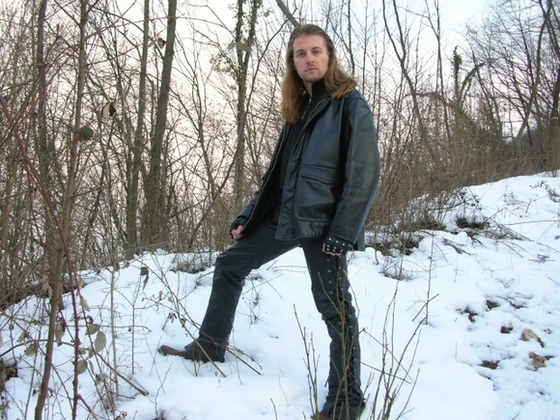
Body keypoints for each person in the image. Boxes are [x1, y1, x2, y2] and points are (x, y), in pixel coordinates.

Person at [160, 23, 380, 420]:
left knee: (335, 308)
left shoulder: (349, 104)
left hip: (324, 225)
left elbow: (364, 176)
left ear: (329, 56)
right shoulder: (299, 109)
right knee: (230, 265)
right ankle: (210, 345)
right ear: (292, 63)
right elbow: (277, 178)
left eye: (316, 51)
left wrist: (343, 232)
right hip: (286, 216)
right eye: (301, 53)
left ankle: (346, 401)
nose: (309, 59)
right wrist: (249, 215)